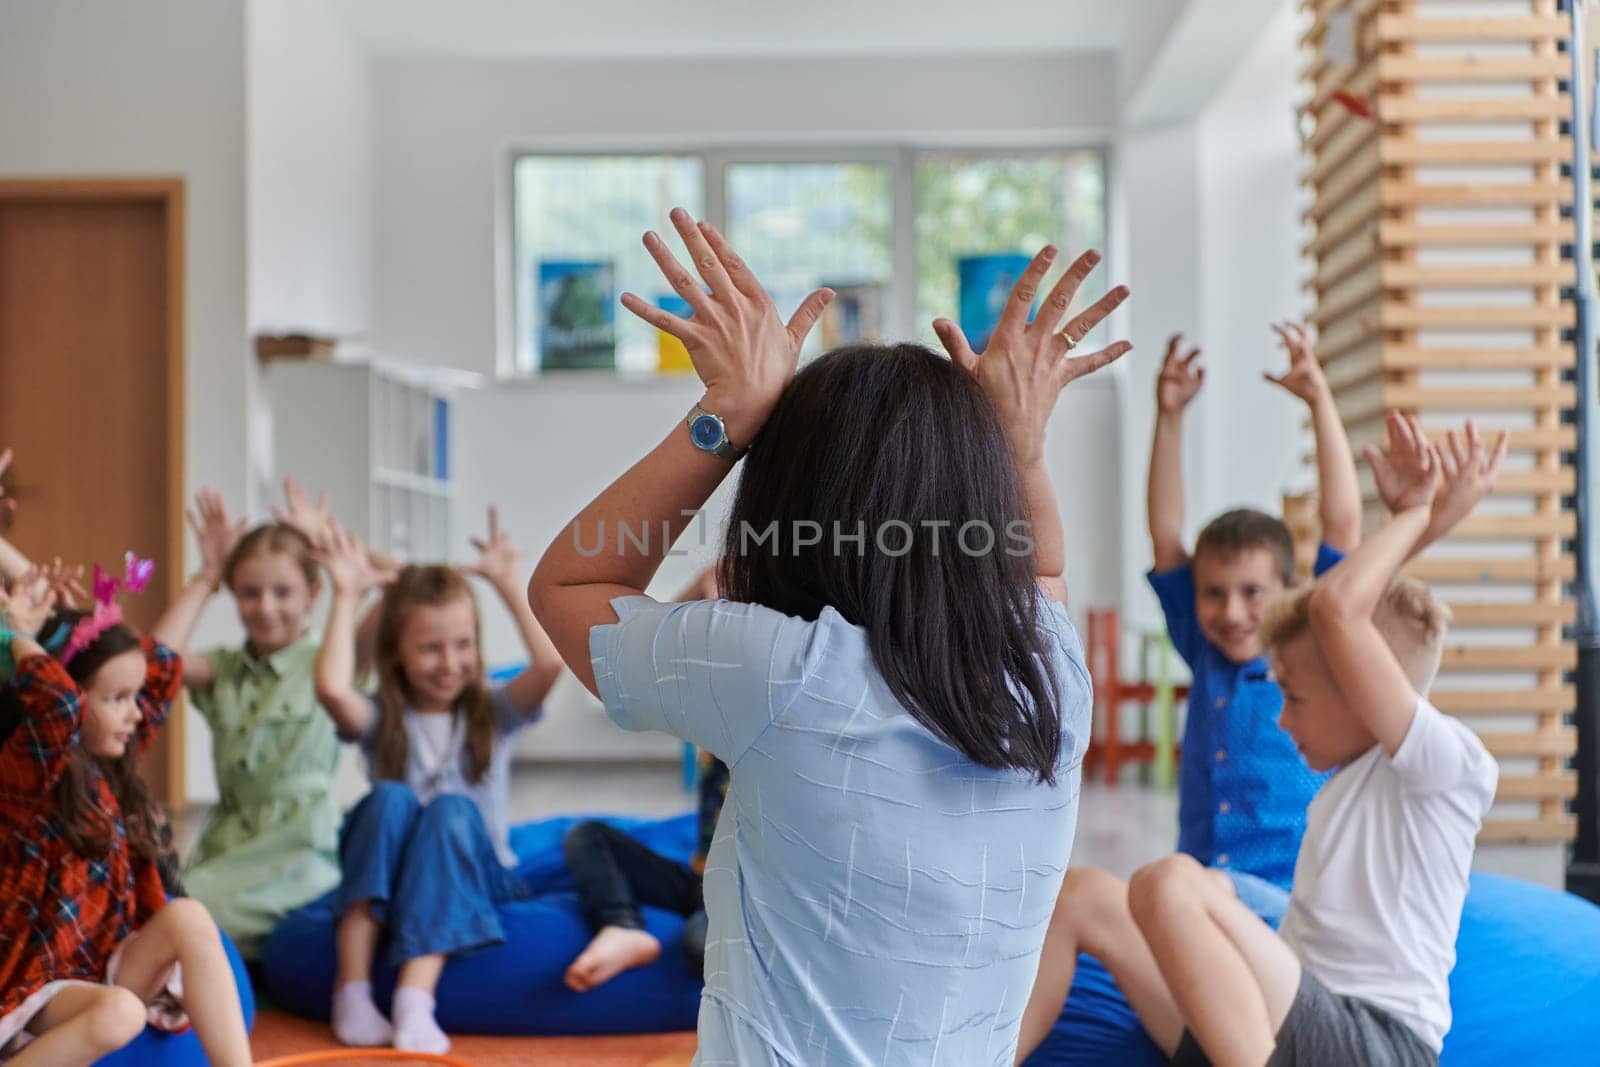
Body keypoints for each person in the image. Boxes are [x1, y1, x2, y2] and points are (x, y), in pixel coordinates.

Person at [529, 208, 1122, 1064]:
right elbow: (1040, 581)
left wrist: (726, 415)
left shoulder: (784, 675)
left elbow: (571, 585)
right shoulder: (1052, 678)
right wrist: (1017, 447)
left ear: (791, 502)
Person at [1016, 413, 1505, 1065]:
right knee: (1086, 893)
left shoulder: (1445, 771)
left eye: (1293, 698)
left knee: (1169, 882)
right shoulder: (1344, 787)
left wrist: (1418, 513)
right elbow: (1328, 608)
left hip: (1372, 1042)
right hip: (1276, 1025)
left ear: (1364, 690)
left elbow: (1336, 610)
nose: (1281, 717)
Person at [313, 509, 564, 1054]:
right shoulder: (383, 719)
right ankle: (352, 991)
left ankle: (413, 1001)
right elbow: (333, 690)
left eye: (462, 645)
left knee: (451, 809)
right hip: (395, 882)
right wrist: (346, 595)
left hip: (481, 877)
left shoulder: (493, 711)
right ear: (396, 653)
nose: (449, 663)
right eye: (430, 648)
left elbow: (549, 667)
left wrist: (505, 584)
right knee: (386, 799)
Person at [0, 560, 251, 1066]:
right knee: (121, 1014)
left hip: (102, 965)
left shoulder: (111, 763)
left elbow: (157, 669)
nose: (136, 713)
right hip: (34, 988)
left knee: (190, 917)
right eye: (116, 699)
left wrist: (205, 577)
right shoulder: (26, 774)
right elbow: (59, 706)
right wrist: (19, 635)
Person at [1145, 324, 1362, 895]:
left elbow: (1343, 523)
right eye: (1214, 592)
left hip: (1290, 902)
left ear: (1290, 588)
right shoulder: (1203, 647)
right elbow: (1166, 536)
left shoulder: (1313, 641)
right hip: (1201, 895)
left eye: (1252, 591)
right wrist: (1169, 418)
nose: (1232, 611)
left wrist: (1319, 401)